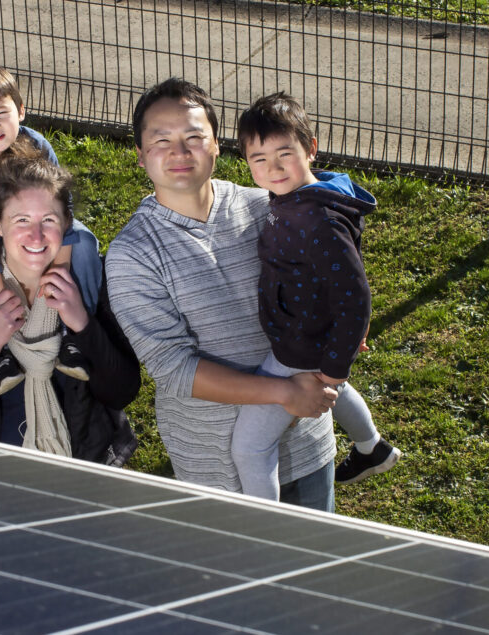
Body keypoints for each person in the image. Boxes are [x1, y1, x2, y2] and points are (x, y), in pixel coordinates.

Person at [105, 78, 338, 511]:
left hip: (304, 444)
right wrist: (284, 394)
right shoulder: (131, 255)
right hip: (215, 468)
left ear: (216, 146)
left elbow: (326, 288)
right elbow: (175, 369)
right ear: (139, 155)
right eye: (161, 140)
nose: (179, 152)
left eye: (194, 137)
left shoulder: (267, 209)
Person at [230, 92, 401, 501]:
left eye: (283, 154)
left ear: (311, 148)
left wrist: (335, 366)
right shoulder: (300, 198)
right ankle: (371, 448)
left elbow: (356, 298)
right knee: (332, 390)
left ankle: (268, 530)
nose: (272, 169)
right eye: (259, 160)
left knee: (249, 448)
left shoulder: (318, 220)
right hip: (310, 334)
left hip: (298, 348)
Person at [0, 156, 140, 465]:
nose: (36, 236)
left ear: (67, 225)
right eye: (22, 221)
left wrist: (83, 325)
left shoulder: (88, 282)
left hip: (86, 465)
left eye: (49, 220)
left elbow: (122, 391)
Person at [0, 62, 102, 394]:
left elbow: (64, 208)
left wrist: (58, 275)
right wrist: (1, 298)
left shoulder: (39, 147)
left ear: (21, 111)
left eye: (2, 113)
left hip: (40, 220)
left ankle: (79, 334)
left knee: (85, 243)